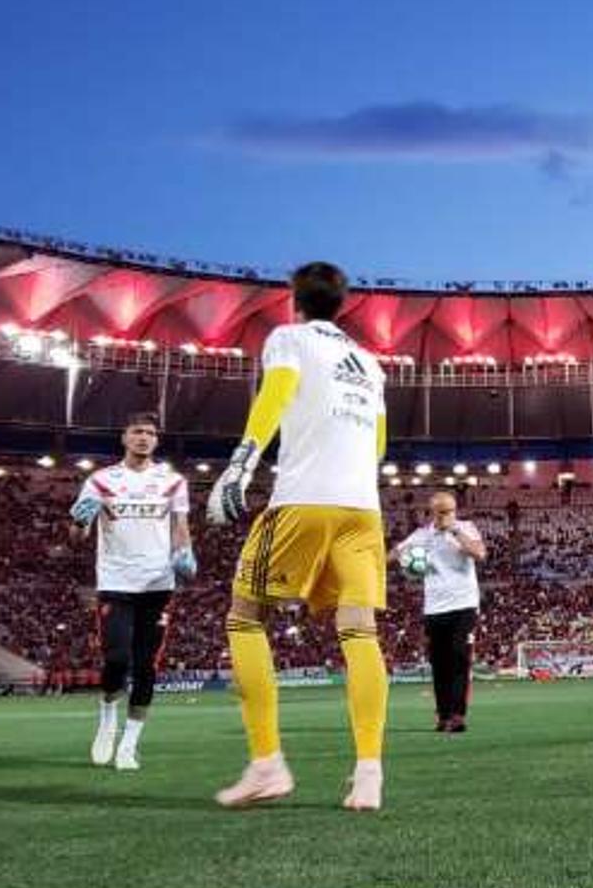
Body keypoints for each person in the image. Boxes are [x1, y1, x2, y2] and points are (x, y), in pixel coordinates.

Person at [206, 261, 391, 811]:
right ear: (343, 303)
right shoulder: (371, 364)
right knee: (359, 631)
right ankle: (368, 774)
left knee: (244, 615)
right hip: (363, 509)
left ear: (294, 300)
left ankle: (267, 764)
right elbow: (379, 446)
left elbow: (277, 394)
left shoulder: (288, 338)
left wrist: (240, 464)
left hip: (304, 499)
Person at [70, 412, 196, 772]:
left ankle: (129, 745)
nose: (144, 437)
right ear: (124, 437)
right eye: (137, 431)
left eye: (151, 433)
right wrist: (79, 520)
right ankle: (108, 716)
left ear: (156, 440)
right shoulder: (101, 480)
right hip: (115, 583)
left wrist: (185, 555)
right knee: (117, 659)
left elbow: (181, 527)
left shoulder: (173, 481)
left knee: (146, 668)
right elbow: (77, 536)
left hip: (158, 584)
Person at [394, 489, 486, 733]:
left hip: (464, 605)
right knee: (439, 663)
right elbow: (395, 553)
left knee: (459, 658)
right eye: (441, 512)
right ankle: (443, 715)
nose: (446, 515)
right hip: (434, 608)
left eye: (450, 511)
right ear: (432, 513)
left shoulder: (465, 528)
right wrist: (402, 558)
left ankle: (457, 715)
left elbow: (479, 553)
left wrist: (454, 531)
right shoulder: (422, 535)